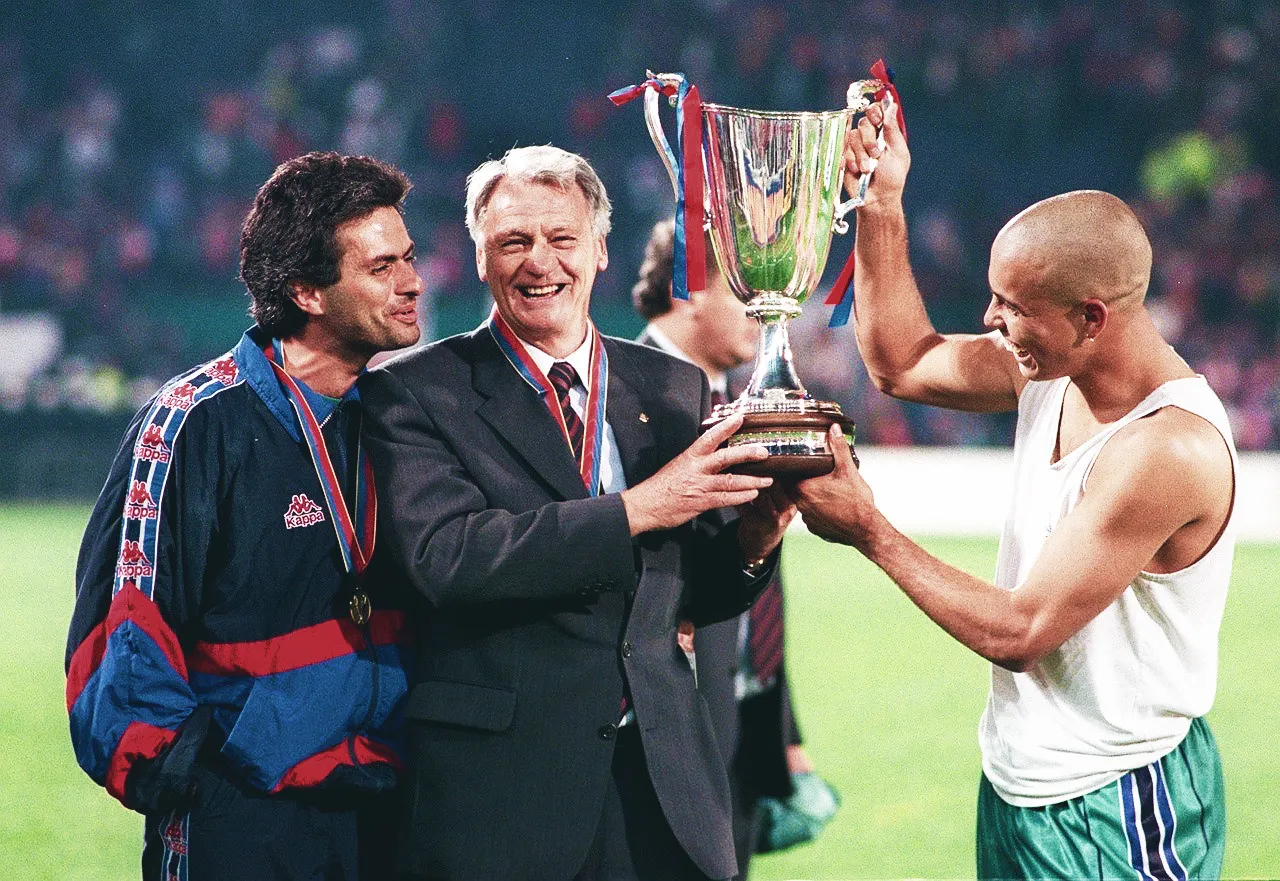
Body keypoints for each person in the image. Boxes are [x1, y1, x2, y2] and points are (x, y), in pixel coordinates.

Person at [789, 99, 1236, 880]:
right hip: (1020, 786)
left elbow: (1023, 631)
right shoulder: (1050, 370)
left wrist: (869, 529)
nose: (990, 318)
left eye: (1013, 306)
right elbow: (902, 362)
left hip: (1120, 801)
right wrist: (882, 203)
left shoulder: (1166, 447)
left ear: (1090, 318)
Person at [359, 144, 795, 881]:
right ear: (479, 257)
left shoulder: (672, 386)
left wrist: (756, 537)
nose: (540, 262)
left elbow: (696, 589)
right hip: (503, 795)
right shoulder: (416, 390)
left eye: (561, 238)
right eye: (513, 241)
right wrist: (637, 509)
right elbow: (448, 558)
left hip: (662, 785)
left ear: (599, 250)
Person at [65, 151, 425, 881]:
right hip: (244, 812)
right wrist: (182, 774)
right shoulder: (193, 422)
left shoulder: (404, 419)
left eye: (409, 257)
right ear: (307, 292)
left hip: (382, 801)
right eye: (382, 266)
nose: (413, 282)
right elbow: (128, 616)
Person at [632, 218, 835, 877]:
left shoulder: (742, 401)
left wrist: (783, 728)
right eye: (744, 290)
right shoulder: (618, 398)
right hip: (665, 725)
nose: (761, 311)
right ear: (690, 289)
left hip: (739, 723)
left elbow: (758, 579)